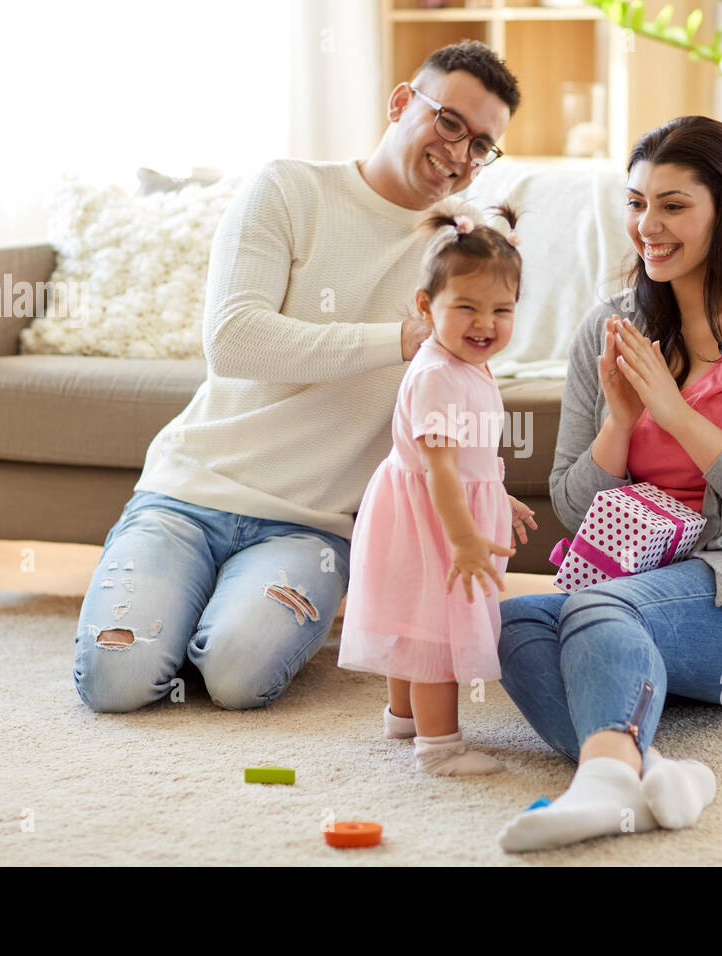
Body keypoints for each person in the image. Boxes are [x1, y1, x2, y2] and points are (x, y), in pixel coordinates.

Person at [72, 41, 521, 713]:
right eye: (449, 123)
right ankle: (170, 613)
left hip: (310, 530)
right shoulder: (289, 188)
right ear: (401, 103)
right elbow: (233, 341)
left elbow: (460, 392)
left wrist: (488, 484)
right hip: (188, 495)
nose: (460, 154)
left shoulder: (461, 248)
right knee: (118, 682)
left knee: (236, 676)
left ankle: (214, 624)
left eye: (481, 144)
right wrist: (397, 338)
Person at [495, 115, 722, 852]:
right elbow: (571, 506)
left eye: (673, 205)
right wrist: (619, 426)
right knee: (516, 625)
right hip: (635, 594)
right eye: (635, 202)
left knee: (590, 612)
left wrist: (676, 413)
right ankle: (650, 771)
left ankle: (599, 786)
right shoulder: (608, 330)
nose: (646, 225)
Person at [338, 201, 538, 776]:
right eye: (466, 308)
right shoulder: (435, 376)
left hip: (428, 509)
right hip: (432, 517)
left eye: (501, 310)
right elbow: (442, 471)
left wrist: (497, 496)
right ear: (427, 307)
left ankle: (403, 717)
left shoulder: (466, 366)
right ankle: (439, 747)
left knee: (413, 617)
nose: (485, 324)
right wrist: (466, 539)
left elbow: (470, 456)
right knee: (434, 632)